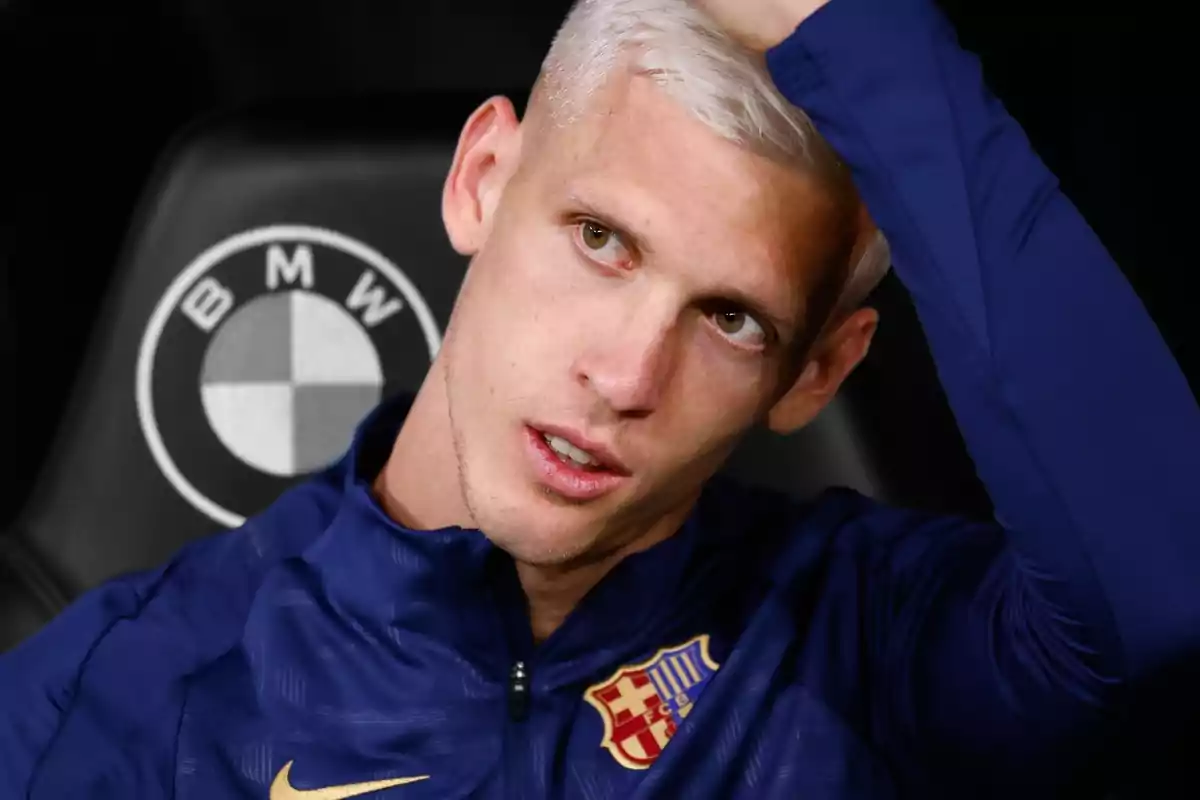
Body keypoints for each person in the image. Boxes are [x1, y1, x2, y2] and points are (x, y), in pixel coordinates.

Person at [2, 0, 1197, 796]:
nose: (626, 378)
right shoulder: (128, 687)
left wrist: (837, 22)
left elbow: (1156, 570)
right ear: (482, 182)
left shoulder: (862, 637)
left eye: (732, 318)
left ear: (817, 373)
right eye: (601, 240)